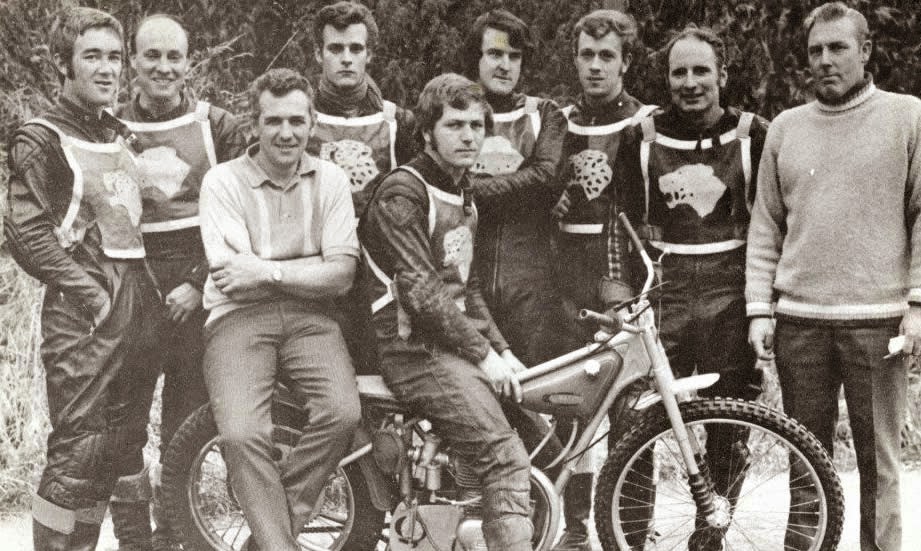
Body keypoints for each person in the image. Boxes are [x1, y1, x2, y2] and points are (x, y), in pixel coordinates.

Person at [746, 3, 921, 549]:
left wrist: (917, 305)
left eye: (838, 47)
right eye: (815, 50)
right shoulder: (785, 128)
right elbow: (766, 223)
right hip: (800, 324)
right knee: (806, 464)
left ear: (865, 51)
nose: (825, 60)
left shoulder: (908, 116)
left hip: (878, 323)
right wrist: (758, 309)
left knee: (879, 465)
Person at [3, 7, 161, 550]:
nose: (107, 68)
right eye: (92, 56)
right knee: (80, 449)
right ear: (61, 64)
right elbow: (26, 232)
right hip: (84, 314)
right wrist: (91, 294)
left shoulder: (117, 133)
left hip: (135, 304)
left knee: (125, 443)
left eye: (114, 57)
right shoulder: (41, 137)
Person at [360, 73, 533, 551]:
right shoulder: (404, 192)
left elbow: (466, 286)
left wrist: (503, 350)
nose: (468, 136)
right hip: (412, 349)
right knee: (504, 457)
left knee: (542, 435)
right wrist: (484, 355)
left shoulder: (463, 190)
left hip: (448, 344)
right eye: (454, 125)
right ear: (426, 132)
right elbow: (422, 293)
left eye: (476, 125)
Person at [198, 68, 361, 551]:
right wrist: (311, 267)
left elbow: (342, 275)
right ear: (254, 124)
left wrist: (265, 270)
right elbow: (233, 278)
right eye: (273, 121)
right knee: (242, 433)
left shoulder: (331, 179)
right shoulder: (222, 182)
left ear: (313, 123)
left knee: (342, 413)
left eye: (296, 121)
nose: (286, 133)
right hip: (236, 318)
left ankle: (269, 538)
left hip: (312, 320)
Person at [113, 14, 248, 550]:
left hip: (198, 293)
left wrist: (198, 281)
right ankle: (133, 540)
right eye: (152, 56)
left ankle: (172, 535)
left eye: (174, 57)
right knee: (123, 423)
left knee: (183, 425)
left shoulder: (219, 125)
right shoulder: (107, 126)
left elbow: (243, 212)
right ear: (133, 61)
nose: (163, 68)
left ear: (189, 62)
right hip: (133, 289)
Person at [548, 10, 656, 550]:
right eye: (586, 55)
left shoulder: (645, 123)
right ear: (574, 59)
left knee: (631, 409)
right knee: (570, 407)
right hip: (563, 276)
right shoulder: (557, 120)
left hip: (624, 275)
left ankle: (631, 532)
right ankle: (574, 528)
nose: (595, 66)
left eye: (607, 56)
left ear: (626, 62)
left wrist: (634, 288)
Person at [307, 0, 416, 374]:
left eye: (356, 48)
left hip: (379, 274)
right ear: (318, 53)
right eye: (335, 49)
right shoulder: (297, 119)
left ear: (370, 55)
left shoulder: (398, 122)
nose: (346, 59)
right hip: (317, 266)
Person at [462, 8, 567, 367]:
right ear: (475, 57)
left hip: (532, 285)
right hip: (468, 278)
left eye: (514, 56)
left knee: (537, 383)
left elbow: (547, 180)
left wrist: (470, 190)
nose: (505, 65)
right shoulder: (456, 116)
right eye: (495, 54)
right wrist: (523, 186)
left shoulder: (543, 114)